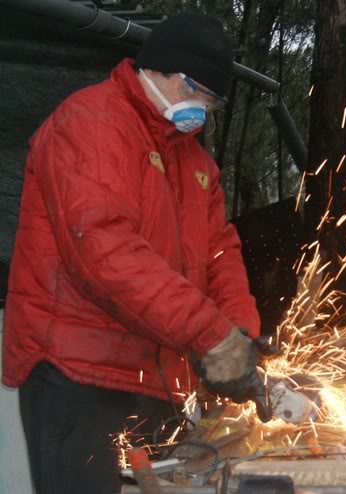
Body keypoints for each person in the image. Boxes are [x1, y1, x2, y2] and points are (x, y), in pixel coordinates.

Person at [1, 12, 270, 494]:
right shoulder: (90, 124)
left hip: (152, 377)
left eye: (214, 100)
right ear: (163, 70)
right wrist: (212, 336)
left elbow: (220, 254)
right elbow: (104, 253)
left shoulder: (194, 160)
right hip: (78, 379)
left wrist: (240, 338)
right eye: (199, 91)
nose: (204, 107)